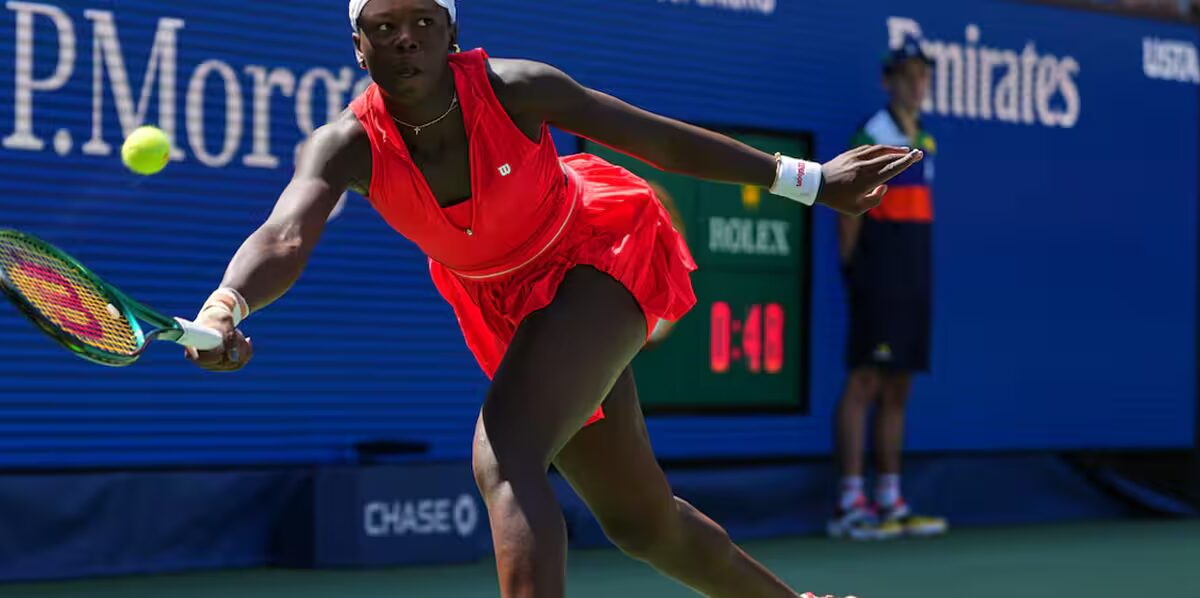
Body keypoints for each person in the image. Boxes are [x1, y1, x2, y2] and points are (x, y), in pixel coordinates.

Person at [186, 0, 923, 595]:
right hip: (501, 304)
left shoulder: (518, 89)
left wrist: (811, 181)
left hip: (594, 255)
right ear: (357, 46)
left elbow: (657, 141)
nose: (404, 40)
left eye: (421, 24)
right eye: (383, 27)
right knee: (642, 524)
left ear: (452, 35)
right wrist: (227, 305)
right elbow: (285, 235)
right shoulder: (343, 144)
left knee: (506, 456)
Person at [827, 35, 947, 542]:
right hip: (876, 277)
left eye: (922, 75)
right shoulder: (872, 134)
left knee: (900, 385)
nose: (916, 84)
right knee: (865, 383)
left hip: (913, 277)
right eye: (906, 75)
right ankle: (851, 503)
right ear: (887, 81)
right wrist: (854, 271)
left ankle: (889, 499)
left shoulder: (926, 138)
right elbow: (846, 207)